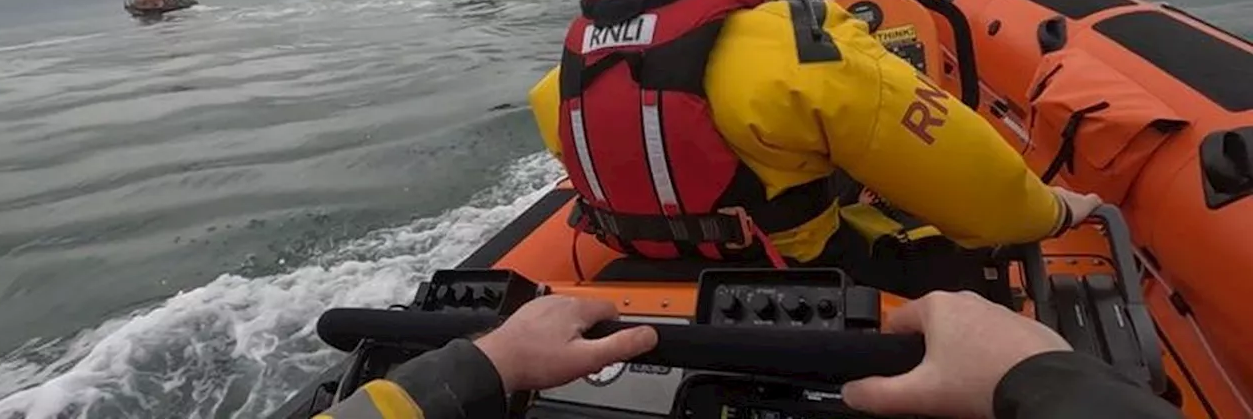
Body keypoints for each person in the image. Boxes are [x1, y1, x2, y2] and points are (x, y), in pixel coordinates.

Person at [526, 0, 1101, 279]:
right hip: (803, 279)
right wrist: (1050, 212)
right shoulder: (805, 51)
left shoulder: (560, 87)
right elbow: (973, 184)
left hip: (636, 288)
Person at [312, 291, 1183, 419]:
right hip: (849, 293)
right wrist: (1040, 376)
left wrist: (490, 363)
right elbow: (984, 194)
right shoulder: (804, 53)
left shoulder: (565, 76)